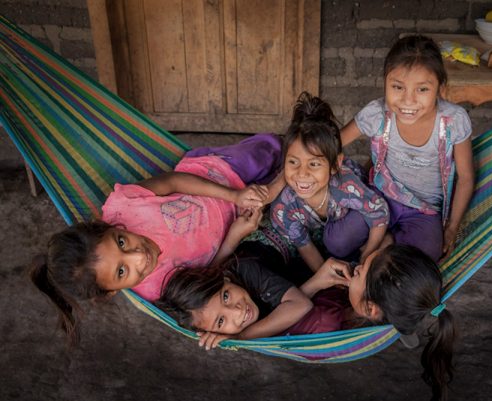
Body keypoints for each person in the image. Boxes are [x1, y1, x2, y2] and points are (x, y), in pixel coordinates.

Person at [29, 134, 285, 344]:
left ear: (105, 226)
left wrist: (233, 195)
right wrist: (236, 233)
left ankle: (292, 146)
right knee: (282, 195)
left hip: (218, 172)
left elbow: (173, 181)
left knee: (268, 153)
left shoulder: (125, 206)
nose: (139, 255)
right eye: (122, 271)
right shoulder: (155, 290)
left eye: (121, 242)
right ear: (111, 293)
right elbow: (207, 273)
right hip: (240, 219)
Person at [341, 35, 475, 261]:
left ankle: (387, 241)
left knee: (426, 256)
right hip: (380, 196)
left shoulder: (453, 121)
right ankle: (386, 241)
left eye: (422, 89)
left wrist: (451, 228)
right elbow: (331, 144)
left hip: (424, 210)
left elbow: (466, 177)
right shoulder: (377, 114)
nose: (408, 101)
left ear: (440, 88)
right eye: (397, 87)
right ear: (385, 82)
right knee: (338, 242)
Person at [270, 92, 390, 273]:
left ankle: (387, 240)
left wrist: (367, 255)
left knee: (337, 242)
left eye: (314, 164)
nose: (302, 173)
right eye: (293, 162)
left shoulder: (345, 185)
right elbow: (305, 247)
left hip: (358, 209)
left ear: (335, 164)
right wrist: (330, 281)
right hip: (332, 227)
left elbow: (379, 212)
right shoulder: (284, 207)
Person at [155, 254, 352, 350]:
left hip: (302, 263)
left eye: (226, 296)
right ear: (212, 332)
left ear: (225, 279)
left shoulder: (244, 268)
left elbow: (301, 305)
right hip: (298, 292)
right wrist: (315, 283)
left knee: (324, 321)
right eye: (221, 321)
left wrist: (241, 337)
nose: (238, 311)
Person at [347, 243, 457, 401]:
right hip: (397, 309)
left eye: (360, 270)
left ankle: (402, 330)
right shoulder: (409, 302)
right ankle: (404, 329)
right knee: (400, 312)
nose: (356, 268)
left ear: (370, 309)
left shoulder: (333, 323)